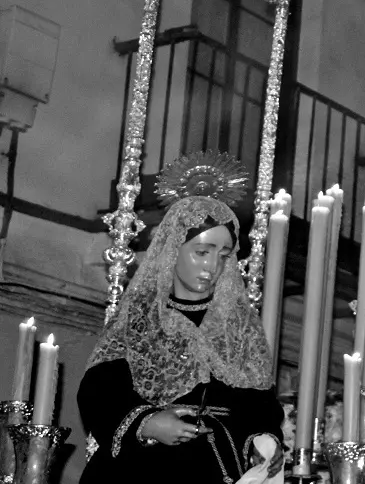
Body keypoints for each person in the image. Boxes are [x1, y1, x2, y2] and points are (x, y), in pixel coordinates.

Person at [78, 155, 283, 484]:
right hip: (144, 467)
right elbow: (98, 390)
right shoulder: (141, 318)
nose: (213, 266)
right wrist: (149, 423)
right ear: (173, 250)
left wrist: (264, 442)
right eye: (202, 251)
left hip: (219, 470)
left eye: (224, 254)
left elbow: (260, 405)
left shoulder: (239, 328)